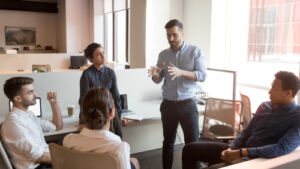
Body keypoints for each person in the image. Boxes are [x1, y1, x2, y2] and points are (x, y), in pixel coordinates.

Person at [182, 71, 300, 169]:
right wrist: (231, 148)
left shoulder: (296, 117)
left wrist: (242, 153)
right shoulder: (265, 106)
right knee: (189, 149)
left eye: (274, 89)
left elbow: (281, 148)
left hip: (255, 159)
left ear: (288, 93)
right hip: (238, 150)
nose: (269, 92)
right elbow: (246, 132)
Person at [148, 19, 207, 169]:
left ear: (182, 33)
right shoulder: (163, 55)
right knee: (168, 142)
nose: (171, 39)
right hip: (168, 105)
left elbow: (202, 75)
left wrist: (181, 72)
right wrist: (155, 75)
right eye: (168, 35)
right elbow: (158, 80)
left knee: (192, 144)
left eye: (174, 35)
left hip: (188, 104)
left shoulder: (195, 51)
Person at [63, 87, 140, 169]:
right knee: (134, 161)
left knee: (133, 161)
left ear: (83, 114)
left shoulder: (68, 140)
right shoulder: (119, 148)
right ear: (112, 113)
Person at [1, 77, 63, 169]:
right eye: (30, 92)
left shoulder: (28, 115)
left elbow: (57, 126)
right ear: (18, 98)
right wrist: (66, 159)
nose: (35, 94)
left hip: (45, 162)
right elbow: (39, 157)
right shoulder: (13, 123)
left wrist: (54, 103)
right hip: (39, 166)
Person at [79, 42, 126, 138]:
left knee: (118, 135)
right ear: (90, 59)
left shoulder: (111, 73)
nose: (103, 56)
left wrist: (119, 116)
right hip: (93, 113)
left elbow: (116, 96)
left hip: (110, 110)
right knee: (100, 138)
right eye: (98, 54)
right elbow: (83, 100)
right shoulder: (87, 74)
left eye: (103, 53)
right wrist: (82, 121)